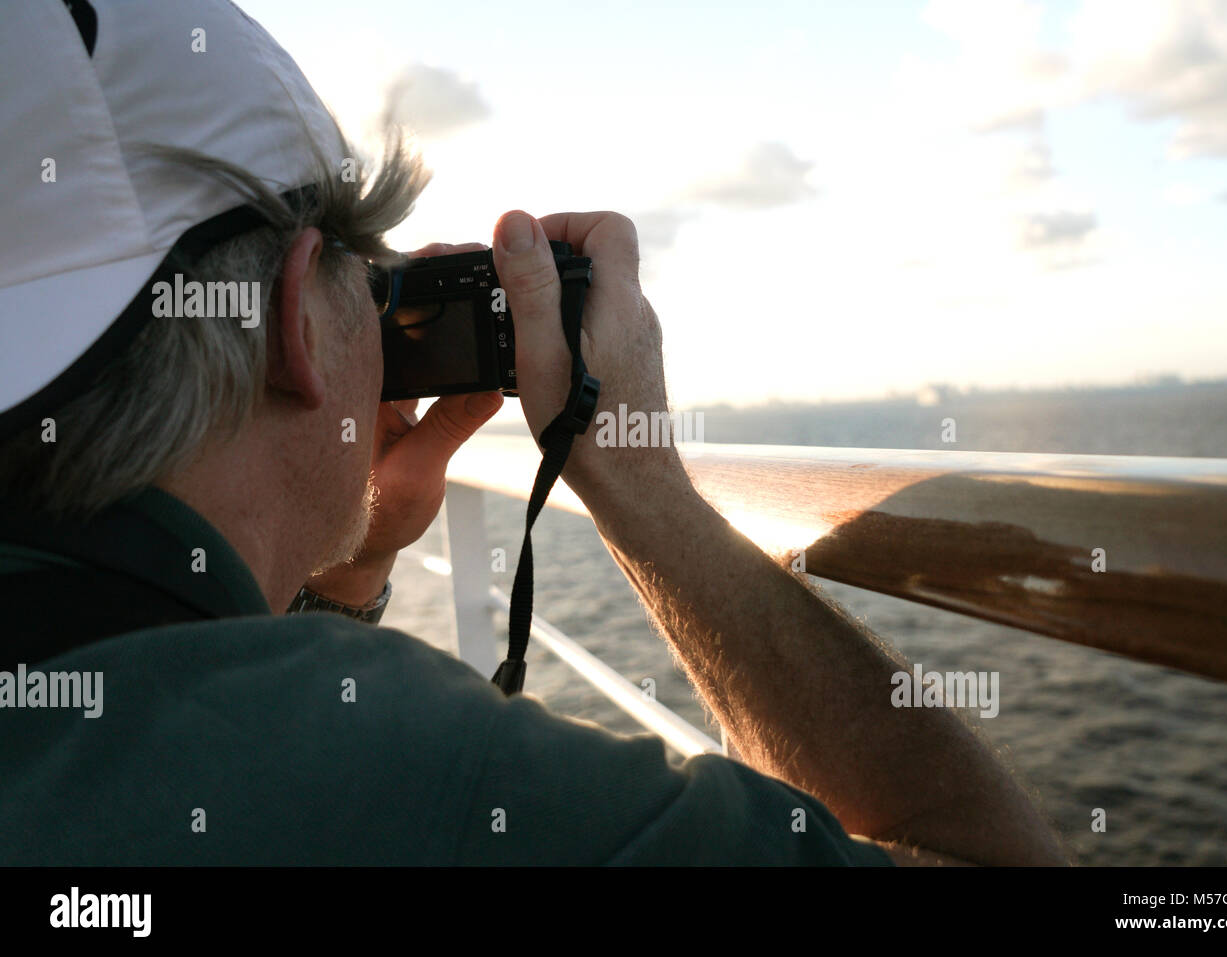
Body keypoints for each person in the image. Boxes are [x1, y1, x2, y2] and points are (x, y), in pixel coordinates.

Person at [0, 0, 1068, 866]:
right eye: (364, 280)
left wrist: (346, 566)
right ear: (297, 321)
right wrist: (644, 489)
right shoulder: (411, 772)